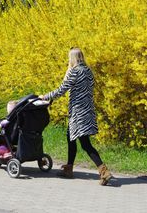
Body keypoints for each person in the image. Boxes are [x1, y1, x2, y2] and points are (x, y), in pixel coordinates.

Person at [39, 47, 112, 185]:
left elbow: (62, 89)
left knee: (85, 144)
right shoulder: (88, 71)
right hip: (87, 111)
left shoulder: (75, 71)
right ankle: (69, 168)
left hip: (78, 113)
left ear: (72, 58)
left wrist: (46, 97)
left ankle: (104, 171)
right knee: (70, 138)